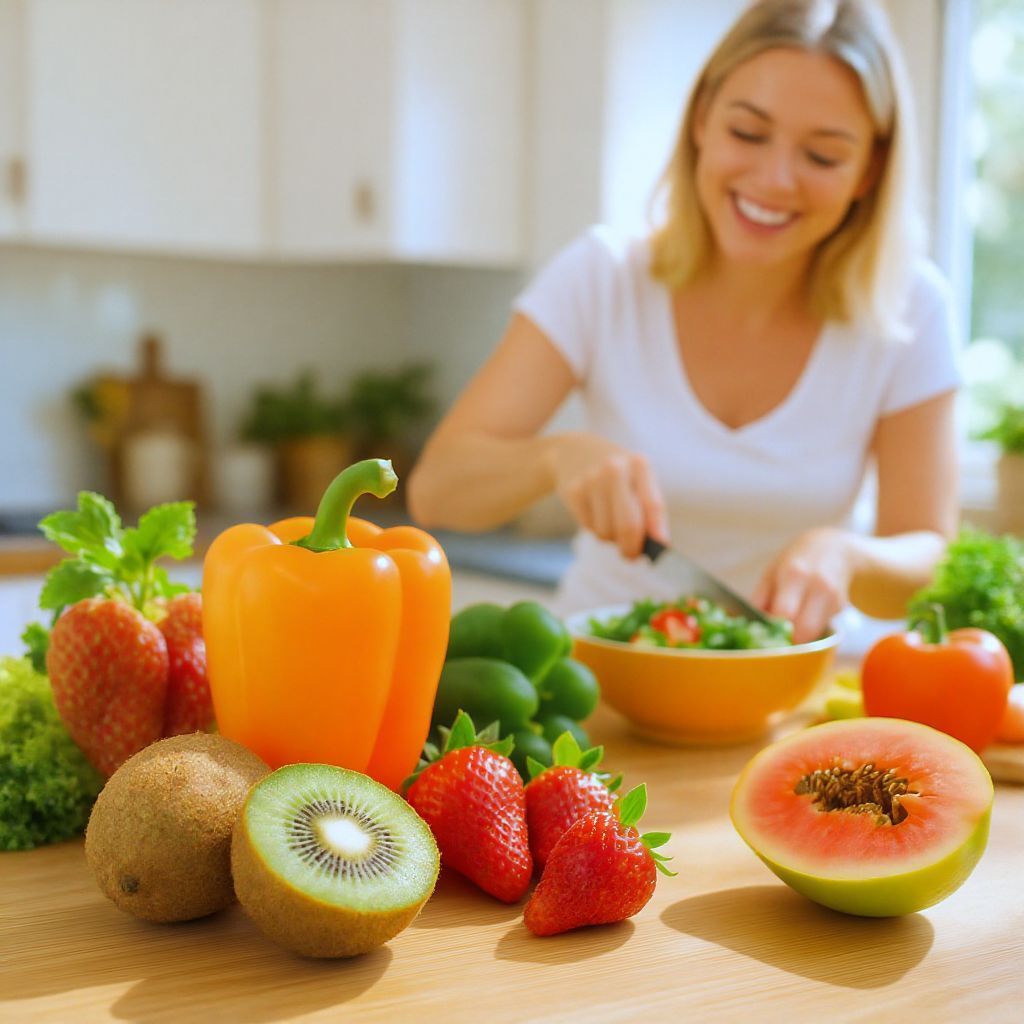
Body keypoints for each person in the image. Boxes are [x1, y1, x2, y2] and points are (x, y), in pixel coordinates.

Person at [407, 0, 960, 644]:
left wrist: (848, 554)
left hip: (792, 687)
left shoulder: (910, 308)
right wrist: (555, 457)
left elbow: (932, 558)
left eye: (823, 156)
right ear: (702, 120)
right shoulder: (602, 276)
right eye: (748, 134)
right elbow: (437, 491)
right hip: (602, 678)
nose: (774, 179)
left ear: (868, 169)